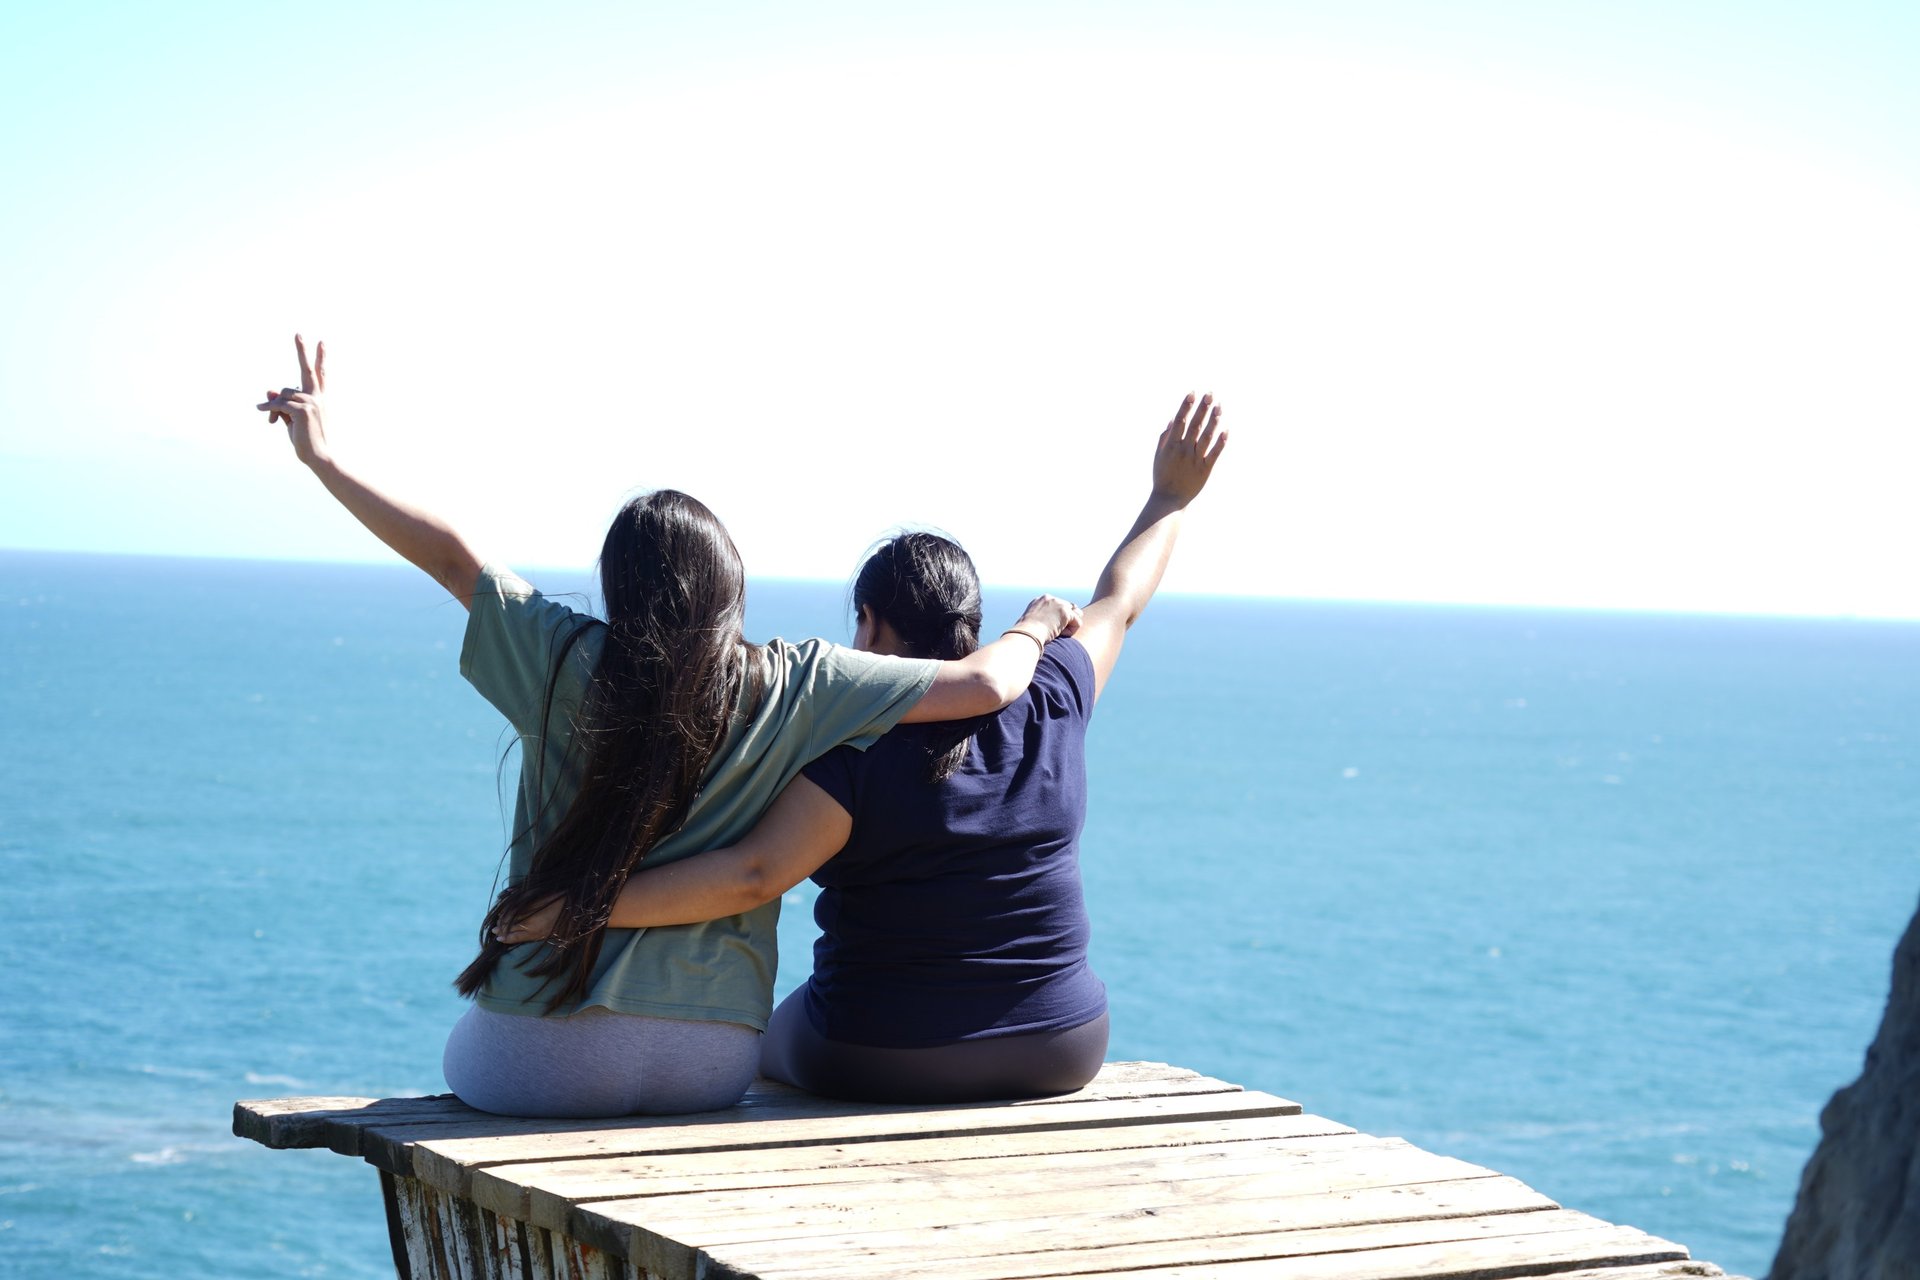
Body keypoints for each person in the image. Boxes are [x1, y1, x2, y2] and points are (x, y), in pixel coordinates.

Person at [255, 336, 1082, 1116]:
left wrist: (326, 459)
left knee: (461, 1057)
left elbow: (449, 556)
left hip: (533, 1062)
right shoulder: (799, 679)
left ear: (618, 584)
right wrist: (1038, 625)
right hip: (708, 1063)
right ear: (732, 585)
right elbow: (983, 683)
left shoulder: (558, 656)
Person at [499, 393, 1227, 1102]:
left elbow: (752, 876)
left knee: (761, 1043)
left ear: (871, 626)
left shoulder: (852, 743)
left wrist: (574, 910)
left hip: (882, 1050)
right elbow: (1119, 599)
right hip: (1063, 1045)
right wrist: (1170, 498)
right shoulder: (1054, 693)